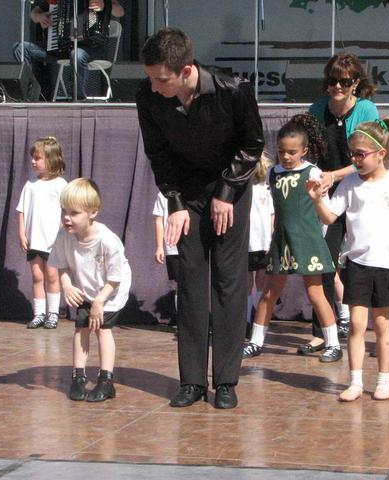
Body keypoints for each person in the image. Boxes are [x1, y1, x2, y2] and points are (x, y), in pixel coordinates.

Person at [136, 28, 264, 409]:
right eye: (151, 78)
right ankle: (191, 381)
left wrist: (226, 193)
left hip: (231, 189)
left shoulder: (233, 89)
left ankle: (225, 380)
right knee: (191, 282)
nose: (155, 86)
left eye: (162, 78)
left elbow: (252, 144)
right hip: (187, 193)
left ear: (186, 69)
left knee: (228, 281)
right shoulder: (149, 97)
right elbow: (158, 153)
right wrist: (174, 202)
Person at [307, 118, 389, 401]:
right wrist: (316, 199)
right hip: (358, 265)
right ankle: (354, 381)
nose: (356, 160)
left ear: (381, 154)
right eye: (353, 154)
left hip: (387, 265)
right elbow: (330, 216)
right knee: (356, 324)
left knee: (382, 324)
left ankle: (384, 380)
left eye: (361, 154)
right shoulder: (350, 184)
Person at [306, 52, 389, 355]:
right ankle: (325, 333)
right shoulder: (317, 109)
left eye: (344, 81)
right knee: (323, 261)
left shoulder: (365, 109)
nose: (337, 86)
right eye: (332, 80)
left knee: (373, 265)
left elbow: (367, 156)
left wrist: (333, 175)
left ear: (356, 83)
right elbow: (311, 152)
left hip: (360, 190)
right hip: (330, 194)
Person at [242, 115, 342, 363]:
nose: (286, 157)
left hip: (307, 239)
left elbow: (327, 215)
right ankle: (256, 341)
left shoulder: (313, 172)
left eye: (292, 152)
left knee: (315, 293)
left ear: (304, 151)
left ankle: (333, 343)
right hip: (282, 240)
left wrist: (317, 205)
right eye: (281, 151)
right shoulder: (274, 173)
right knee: (269, 292)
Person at [48, 178, 131, 402]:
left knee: (102, 328)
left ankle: (106, 380)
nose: (67, 218)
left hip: (110, 291)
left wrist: (99, 302)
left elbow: (115, 278)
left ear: (92, 212)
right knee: (81, 327)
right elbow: (61, 264)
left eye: (74, 213)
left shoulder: (108, 241)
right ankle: (78, 377)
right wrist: (67, 285)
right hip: (86, 287)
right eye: (64, 211)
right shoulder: (63, 236)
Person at [13, 0, 124, 100]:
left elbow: (120, 12)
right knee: (20, 48)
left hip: (90, 48)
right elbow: (34, 13)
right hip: (59, 49)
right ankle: (28, 94)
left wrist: (105, 4)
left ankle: (78, 98)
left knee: (76, 54)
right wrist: (40, 17)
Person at [16, 136, 67, 329]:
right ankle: (39, 314)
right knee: (37, 276)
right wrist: (22, 233)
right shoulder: (30, 184)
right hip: (34, 240)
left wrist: (60, 236)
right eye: (33, 158)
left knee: (52, 276)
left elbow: (66, 213)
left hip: (52, 241)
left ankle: (53, 314)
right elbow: (21, 210)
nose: (33, 161)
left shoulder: (61, 185)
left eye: (37, 158)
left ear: (51, 160)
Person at [247, 153, 275, 337]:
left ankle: (259, 316)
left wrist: (271, 239)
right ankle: (247, 318)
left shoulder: (266, 190)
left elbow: (272, 216)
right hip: (247, 243)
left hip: (264, 243)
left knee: (263, 280)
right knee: (247, 282)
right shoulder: (243, 190)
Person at [153, 191, 179, 326]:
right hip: (173, 246)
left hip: (193, 245)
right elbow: (158, 220)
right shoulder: (163, 194)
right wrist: (159, 246)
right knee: (180, 284)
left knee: (194, 282)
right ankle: (182, 320)